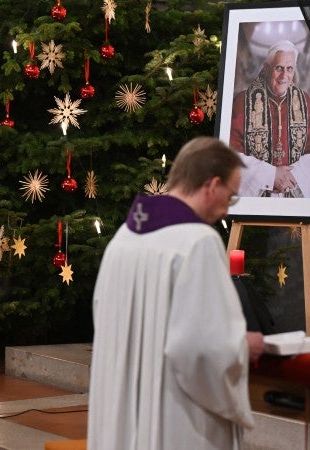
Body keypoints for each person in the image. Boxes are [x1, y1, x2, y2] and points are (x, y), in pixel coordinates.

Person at [88, 137, 265, 450]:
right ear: (212, 185)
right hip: (174, 421)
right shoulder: (198, 242)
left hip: (121, 415)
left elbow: (104, 319)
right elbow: (202, 348)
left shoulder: (123, 238)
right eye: (231, 196)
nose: (227, 209)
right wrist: (240, 345)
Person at [230, 40, 310, 198]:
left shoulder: (304, 101)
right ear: (266, 68)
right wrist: (270, 175)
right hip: (257, 193)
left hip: (291, 190)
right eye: (279, 68)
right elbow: (231, 151)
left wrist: (292, 177)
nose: (284, 76)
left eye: (289, 69)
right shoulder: (243, 101)